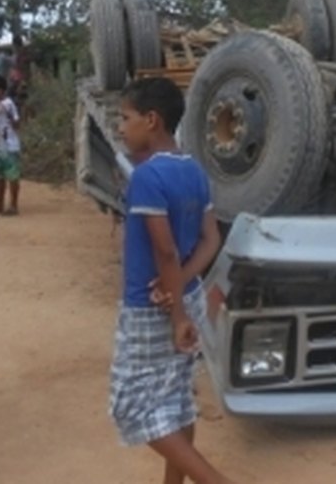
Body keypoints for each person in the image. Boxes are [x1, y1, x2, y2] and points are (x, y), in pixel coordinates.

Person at [109, 77, 233, 484]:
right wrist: (181, 286)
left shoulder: (147, 177)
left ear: (152, 120)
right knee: (176, 400)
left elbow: (164, 251)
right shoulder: (194, 170)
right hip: (187, 296)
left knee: (133, 406)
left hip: (154, 307)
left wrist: (175, 307)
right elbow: (211, 238)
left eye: (125, 118)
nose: (121, 127)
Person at [0, 75, 22, 215]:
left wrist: (10, 123)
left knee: (12, 176)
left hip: (9, 146)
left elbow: (17, 122)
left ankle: (13, 205)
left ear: (0, 90)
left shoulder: (8, 104)